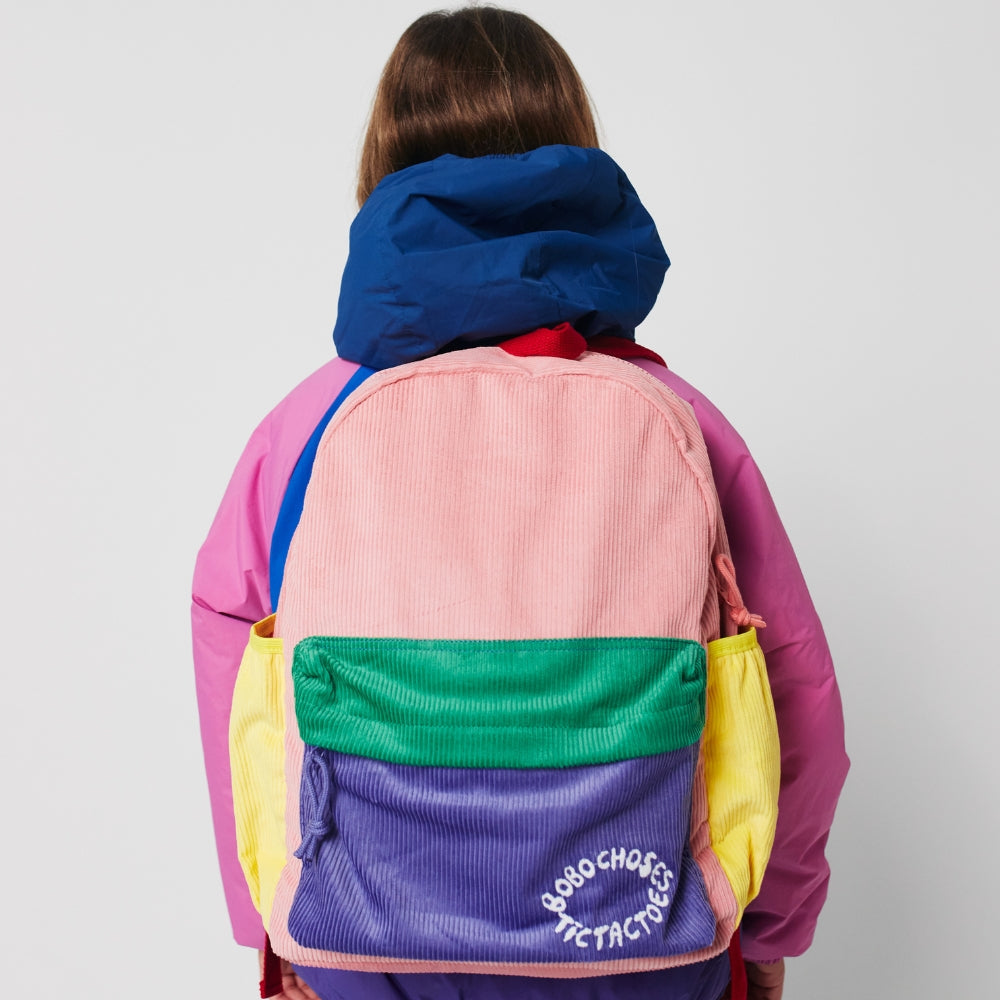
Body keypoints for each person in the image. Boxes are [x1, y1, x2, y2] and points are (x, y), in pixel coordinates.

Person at [192, 7, 848, 1000]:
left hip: (362, 956)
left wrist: (272, 932)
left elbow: (232, 681)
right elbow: (794, 690)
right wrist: (768, 934)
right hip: (641, 950)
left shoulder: (306, 428)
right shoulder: (682, 420)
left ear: (381, 169)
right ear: (575, 158)